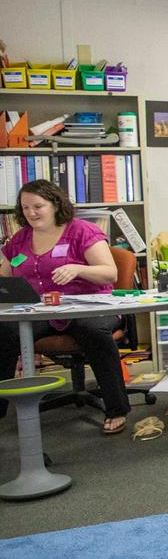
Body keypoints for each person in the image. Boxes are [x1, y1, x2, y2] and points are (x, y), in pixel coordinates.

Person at [0, 180, 130, 434]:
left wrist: (78, 268)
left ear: (56, 204)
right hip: (42, 311)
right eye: (25, 207)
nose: (31, 213)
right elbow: (5, 276)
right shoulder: (21, 238)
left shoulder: (82, 231)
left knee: (93, 331)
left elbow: (110, 273)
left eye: (38, 206)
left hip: (90, 306)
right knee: (4, 333)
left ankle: (117, 408)